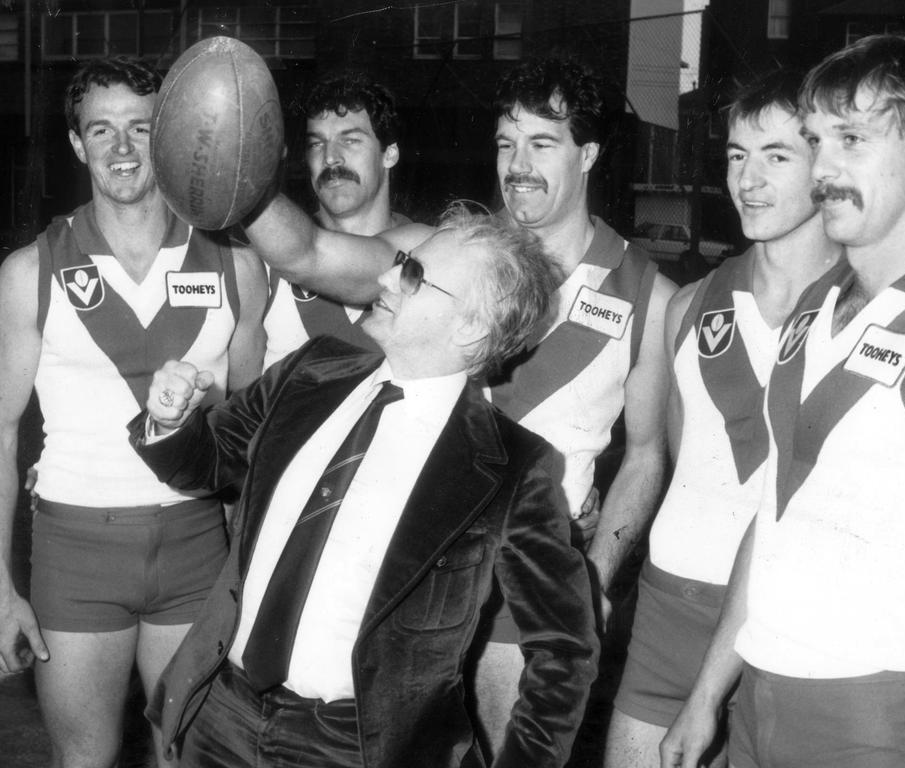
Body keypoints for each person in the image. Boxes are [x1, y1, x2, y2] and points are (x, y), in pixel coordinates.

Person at [229, 56, 674, 754]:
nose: (516, 165)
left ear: (588, 152)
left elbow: (646, 455)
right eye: (505, 143)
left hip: (524, 592)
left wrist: (598, 577)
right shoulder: (442, 253)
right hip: (405, 572)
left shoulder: (650, 293)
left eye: (541, 143)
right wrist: (238, 178)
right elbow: (311, 253)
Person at [661, 33, 905, 768]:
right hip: (757, 693)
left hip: (875, 716)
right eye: (817, 141)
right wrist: (706, 698)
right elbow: (774, 512)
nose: (823, 170)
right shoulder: (815, 306)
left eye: (852, 140)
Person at [130, 205, 599, 768]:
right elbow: (203, 467)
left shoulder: (512, 470)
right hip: (220, 717)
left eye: (413, 275)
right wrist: (171, 419)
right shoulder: (310, 372)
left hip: (359, 747)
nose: (383, 279)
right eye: (401, 262)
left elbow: (564, 651)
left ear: (472, 325)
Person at [0, 56, 266, 768]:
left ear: (173, 137)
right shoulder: (31, 271)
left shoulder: (237, 266)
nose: (122, 149)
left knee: (191, 756)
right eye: (102, 130)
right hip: (75, 550)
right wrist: (0, 588)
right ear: (77, 145)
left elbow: (254, 432)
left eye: (142, 129)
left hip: (196, 546)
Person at [604, 69, 840, 768]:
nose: (748, 179)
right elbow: (680, 460)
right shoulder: (689, 306)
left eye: (776, 156)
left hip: (788, 621)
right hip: (669, 606)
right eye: (736, 156)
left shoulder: (860, 313)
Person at [262, 70, 409, 368]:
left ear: (389, 154)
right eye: (317, 144)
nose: (331, 158)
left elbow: (308, 251)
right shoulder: (261, 255)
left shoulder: (427, 248)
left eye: (350, 141)